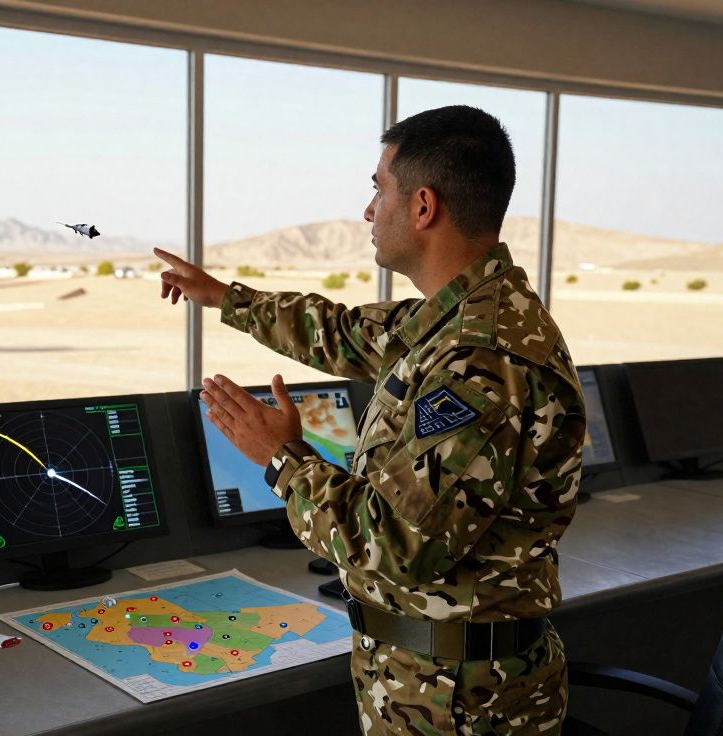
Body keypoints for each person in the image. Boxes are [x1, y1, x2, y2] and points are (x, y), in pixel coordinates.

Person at [154, 105, 586, 735]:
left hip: (459, 703)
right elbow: (347, 334)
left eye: (377, 188)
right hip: (437, 679)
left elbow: (396, 544)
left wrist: (282, 458)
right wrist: (225, 299)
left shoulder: (480, 359)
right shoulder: (459, 317)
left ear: (423, 207)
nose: (367, 210)